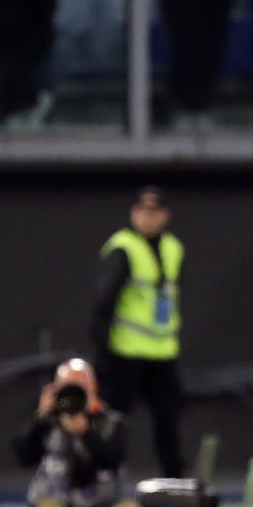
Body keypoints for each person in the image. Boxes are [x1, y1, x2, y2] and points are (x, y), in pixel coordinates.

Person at [91, 186, 184, 479]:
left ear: (165, 215)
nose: (148, 218)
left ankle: (175, 484)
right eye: (142, 211)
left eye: (154, 212)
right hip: (125, 351)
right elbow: (103, 301)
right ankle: (108, 478)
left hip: (162, 351)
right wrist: (101, 353)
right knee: (116, 421)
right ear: (133, 213)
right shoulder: (123, 247)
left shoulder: (173, 248)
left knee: (168, 422)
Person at [12, 358, 137, 507]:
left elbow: (112, 460)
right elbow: (23, 457)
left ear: (93, 387)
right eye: (67, 388)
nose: (73, 395)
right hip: (57, 499)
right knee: (45, 506)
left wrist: (86, 432)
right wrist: (39, 418)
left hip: (101, 502)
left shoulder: (111, 422)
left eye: (79, 387)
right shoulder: (46, 423)